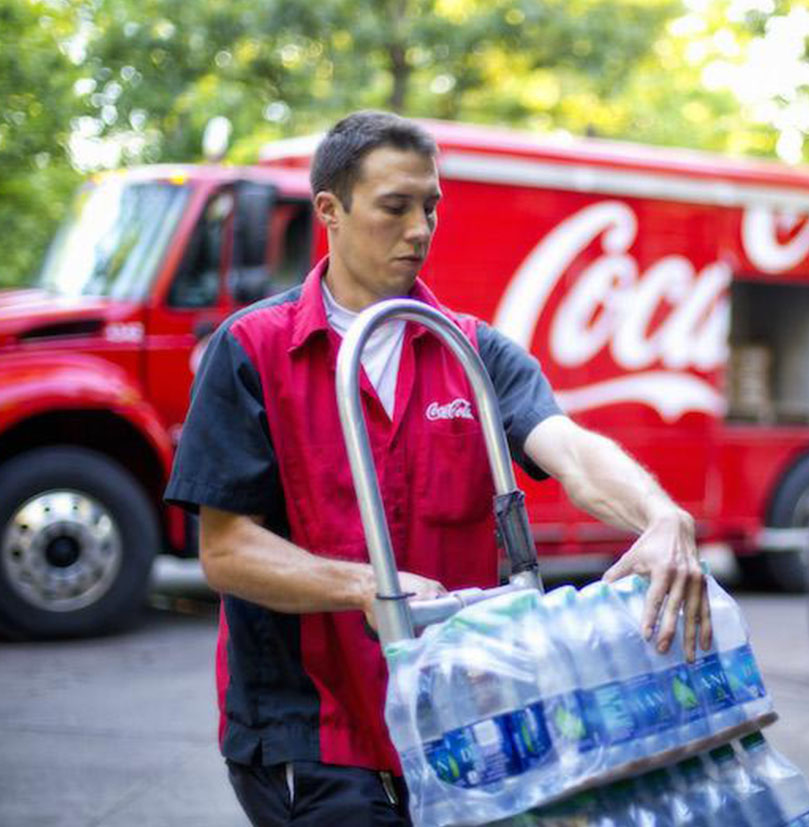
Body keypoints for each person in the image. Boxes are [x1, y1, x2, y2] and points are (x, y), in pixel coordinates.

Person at [165, 110, 712, 827]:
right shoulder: (253, 350)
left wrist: (660, 515)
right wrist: (367, 586)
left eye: (431, 207)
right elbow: (227, 549)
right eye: (396, 207)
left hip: (464, 725)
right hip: (314, 730)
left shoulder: (473, 352)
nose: (420, 229)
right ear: (330, 209)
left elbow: (571, 451)